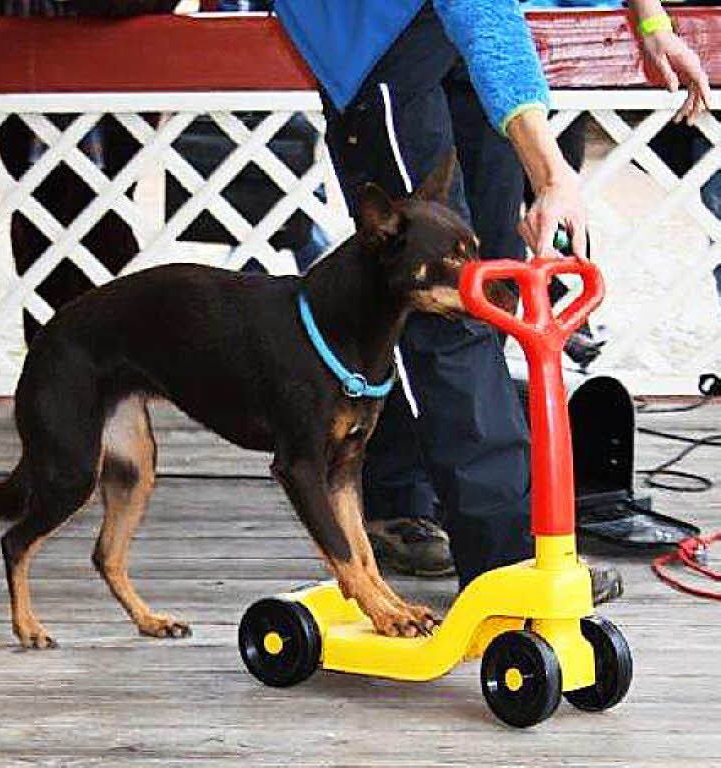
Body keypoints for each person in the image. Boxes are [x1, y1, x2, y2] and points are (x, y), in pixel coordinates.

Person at [273, 0, 709, 596]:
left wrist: (653, 22)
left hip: (448, 27)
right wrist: (553, 175)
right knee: (451, 300)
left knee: (494, 275)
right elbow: (484, 16)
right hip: (376, 32)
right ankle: (509, 561)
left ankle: (397, 497)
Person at [0, 0, 179, 344]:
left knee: (102, 215)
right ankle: (50, 362)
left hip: (112, 82)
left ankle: (111, 359)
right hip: (22, 87)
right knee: (38, 219)